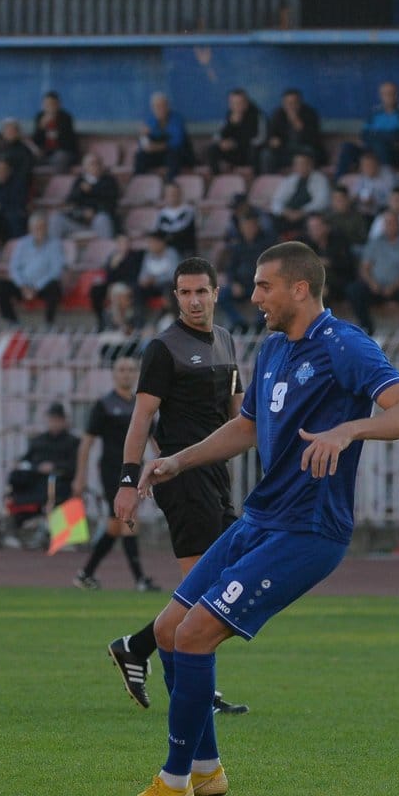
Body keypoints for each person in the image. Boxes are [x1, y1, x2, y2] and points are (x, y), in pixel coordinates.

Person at [117, 241, 399, 796]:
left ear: (300, 289)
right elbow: (248, 427)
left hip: (308, 530)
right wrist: (177, 460)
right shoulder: (275, 348)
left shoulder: (345, 345)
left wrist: (347, 432)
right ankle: (207, 772)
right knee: (167, 631)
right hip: (261, 517)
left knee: (195, 634)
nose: (254, 296)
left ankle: (173, 781)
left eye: (264, 286)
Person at [105, 258, 251, 713]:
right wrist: (128, 481)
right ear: (175, 297)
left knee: (222, 583)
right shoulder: (163, 349)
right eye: (185, 293)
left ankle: (138, 646)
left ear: (216, 293)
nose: (193, 301)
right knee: (204, 590)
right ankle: (195, 690)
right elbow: (141, 418)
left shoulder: (226, 342)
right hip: (180, 476)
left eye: (201, 292)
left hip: (217, 476)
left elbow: (241, 416)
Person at [73, 356, 160, 595]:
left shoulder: (141, 405)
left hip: (135, 469)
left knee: (115, 524)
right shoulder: (104, 405)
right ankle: (140, 579)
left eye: (131, 370)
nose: (126, 374)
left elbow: (153, 438)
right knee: (128, 520)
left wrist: (163, 463)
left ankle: (86, 574)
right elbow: (87, 442)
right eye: (121, 370)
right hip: (112, 470)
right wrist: (80, 476)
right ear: (114, 374)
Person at [350, 209, 399, 332]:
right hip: (376, 287)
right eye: (386, 222)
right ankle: (366, 327)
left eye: (392, 222)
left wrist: (394, 287)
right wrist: (372, 283)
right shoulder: (375, 242)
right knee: (354, 290)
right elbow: (364, 267)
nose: (389, 225)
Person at [0, 212, 66, 324]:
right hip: (23, 286)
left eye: (42, 227)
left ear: (46, 228)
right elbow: (14, 268)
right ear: (30, 229)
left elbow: (56, 271)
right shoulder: (22, 244)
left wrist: (36, 287)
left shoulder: (55, 244)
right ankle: (12, 321)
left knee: (55, 287)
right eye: (36, 227)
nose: (39, 230)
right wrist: (23, 285)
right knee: (0, 286)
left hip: (43, 286)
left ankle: (49, 323)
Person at [206, 88, 263, 175]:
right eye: (233, 103)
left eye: (239, 103)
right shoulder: (229, 115)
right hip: (233, 151)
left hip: (248, 152)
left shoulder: (257, 115)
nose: (236, 106)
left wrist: (236, 143)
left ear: (246, 103)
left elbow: (260, 139)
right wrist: (222, 142)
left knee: (255, 151)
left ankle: (256, 179)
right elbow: (217, 135)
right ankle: (217, 178)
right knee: (212, 149)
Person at [135, 93, 191, 176]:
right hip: (159, 155)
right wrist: (143, 137)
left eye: (161, 106)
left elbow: (176, 142)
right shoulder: (150, 120)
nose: (159, 109)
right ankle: (139, 182)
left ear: (167, 106)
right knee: (140, 156)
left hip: (179, 155)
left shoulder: (177, 119)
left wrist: (156, 146)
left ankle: (170, 184)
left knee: (174, 155)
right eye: (155, 107)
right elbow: (142, 144)